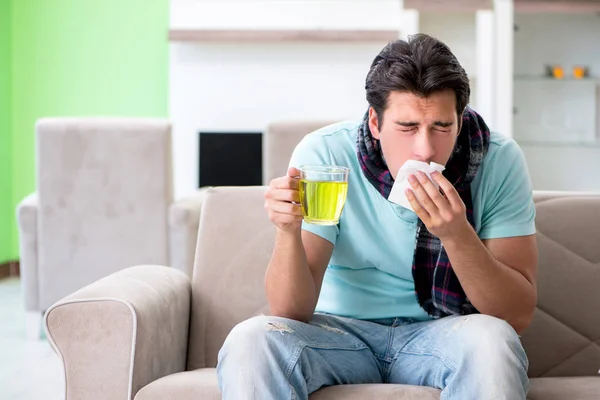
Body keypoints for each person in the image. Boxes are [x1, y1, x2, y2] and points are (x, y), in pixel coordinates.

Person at [217, 33, 538, 400]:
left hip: (445, 332)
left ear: (460, 122)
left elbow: (516, 316)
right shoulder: (326, 155)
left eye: (442, 127)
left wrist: (456, 235)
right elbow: (291, 311)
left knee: (493, 342)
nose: (425, 148)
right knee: (252, 339)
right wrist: (288, 231)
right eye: (407, 127)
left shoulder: (497, 159)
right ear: (374, 122)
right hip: (337, 334)